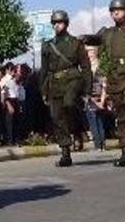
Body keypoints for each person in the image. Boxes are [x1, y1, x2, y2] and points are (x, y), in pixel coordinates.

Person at [84, 0, 125, 167]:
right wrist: (83, 39)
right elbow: (95, 39)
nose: (115, 13)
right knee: (121, 115)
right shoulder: (107, 33)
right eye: (112, 11)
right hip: (114, 76)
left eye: (118, 10)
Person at [39, 10, 93, 168]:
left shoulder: (76, 43)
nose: (57, 25)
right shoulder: (48, 45)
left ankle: (78, 131)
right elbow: (43, 70)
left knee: (69, 104)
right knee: (57, 118)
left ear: (66, 23)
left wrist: (87, 89)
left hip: (72, 79)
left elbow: (86, 67)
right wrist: (43, 90)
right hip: (54, 83)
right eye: (55, 23)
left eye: (60, 22)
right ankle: (65, 153)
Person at [0, 63, 24, 146]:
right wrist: (8, 104)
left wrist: (20, 104)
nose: (18, 74)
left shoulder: (18, 82)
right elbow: (4, 93)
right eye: (17, 72)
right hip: (9, 100)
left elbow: (19, 93)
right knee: (9, 122)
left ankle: (17, 139)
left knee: (17, 121)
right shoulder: (8, 81)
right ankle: (10, 140)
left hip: (16, 101)